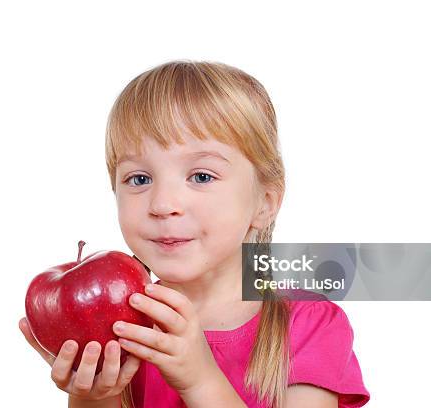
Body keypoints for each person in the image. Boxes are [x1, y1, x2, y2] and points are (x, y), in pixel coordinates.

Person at [19, 60, 370, 407]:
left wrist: (200, 381)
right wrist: (94, 395)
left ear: (264, 203)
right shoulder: (121, 324)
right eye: (139, 179)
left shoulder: (311, 326)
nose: (163, 203)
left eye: (201, 176)